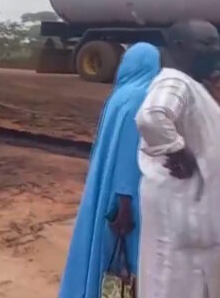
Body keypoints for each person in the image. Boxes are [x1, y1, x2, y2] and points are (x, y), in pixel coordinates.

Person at [136, 20, 220, 298]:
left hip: (201, 226)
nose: (218, 49)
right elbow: (152, 116)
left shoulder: (195, 87)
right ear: (179, 48)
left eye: (219, 42)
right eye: (207, 43)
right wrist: (175, 151)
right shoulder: (175, 80)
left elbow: (219, 137)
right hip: (186, 223)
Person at [58, 42, 160, 298]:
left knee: (102, 255)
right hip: (126, 200)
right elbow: (128, 155)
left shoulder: (120, 95)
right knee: (123, 262)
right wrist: (125, 205)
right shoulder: (142, 98)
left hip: (109, 190)